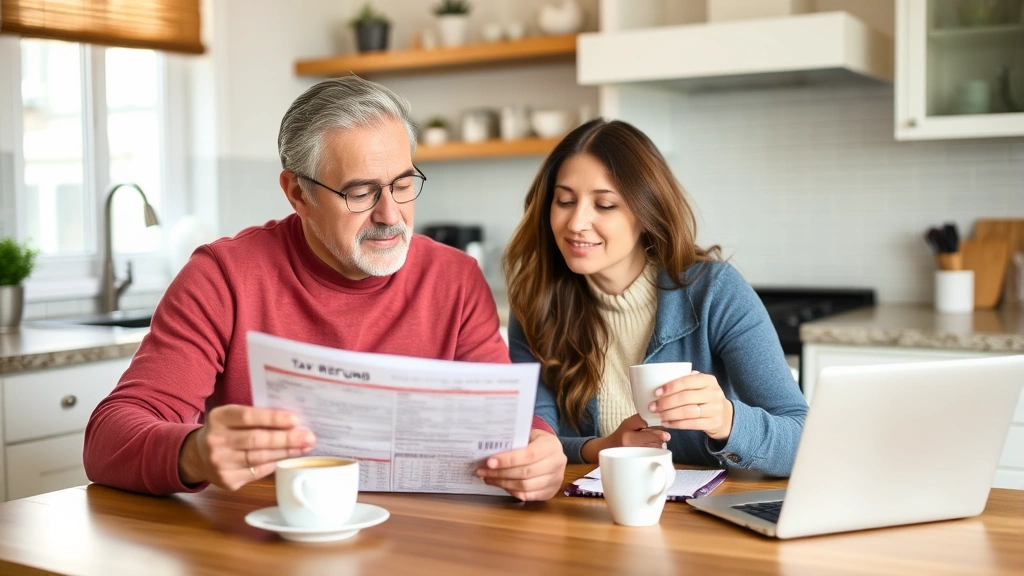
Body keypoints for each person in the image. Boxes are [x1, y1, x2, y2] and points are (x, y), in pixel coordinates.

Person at [84, 76, 566, 501]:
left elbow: (506, 423)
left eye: (402, 184)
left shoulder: (455, 278)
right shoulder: (223, 277)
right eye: (360, 193)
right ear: (298, 194)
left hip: (418, 546)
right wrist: (194, 453)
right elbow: (109, 437)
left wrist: (539, 449)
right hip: (263, 542)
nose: (391, 215)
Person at [504, 118, 807, 477]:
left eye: (605, 205)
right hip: (582, 519)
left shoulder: (714, 291)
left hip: (698, 522)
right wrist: (596, 448)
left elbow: (803, 439)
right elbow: (537, 435)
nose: (576, 222)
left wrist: (727, 420)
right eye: (565, 201)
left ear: (646, 212)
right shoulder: (536, 303)